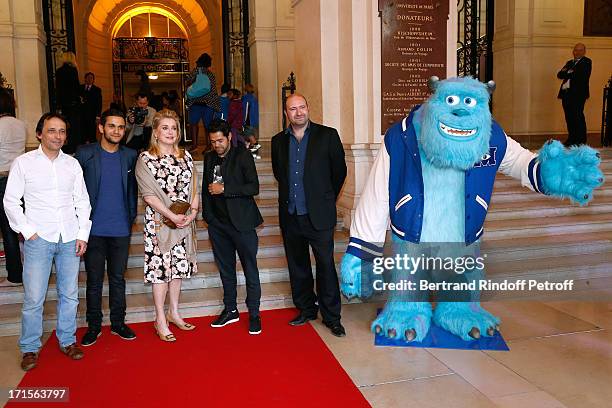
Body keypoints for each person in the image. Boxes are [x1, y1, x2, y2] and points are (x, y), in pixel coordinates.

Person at [4, 112, 91, 371]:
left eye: (62, 131)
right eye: (52, 131)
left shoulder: (72, 164)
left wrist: (82, 234)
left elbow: (82, 201)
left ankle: (67, 340)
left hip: (69, 238)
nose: (58, 136)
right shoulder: (23, 163)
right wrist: (28, 230)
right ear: (40, 134)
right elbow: (11, 201)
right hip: (38, 238)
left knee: (70, 295)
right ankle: (30, 347)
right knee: (33, 297)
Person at [271, 93, 347, 337]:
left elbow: (339, 172)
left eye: (302, 107)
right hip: (291, 215)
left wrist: (325, 198)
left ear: (308, 108)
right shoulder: (277, 142)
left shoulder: (328, 136)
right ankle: (306, 309)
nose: (298, 112)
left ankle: (332, 317)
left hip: (319, 215)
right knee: (298, 266)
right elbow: (279, 173)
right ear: (286, 114)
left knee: (325, 265)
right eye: (293, 109)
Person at [75, 109, 138, 346]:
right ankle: (93, 326)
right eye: (112, 126)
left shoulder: (130, 155)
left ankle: (118, 323)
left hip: (121, 229)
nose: (117, 131)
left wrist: (131, 217)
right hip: (92, 231)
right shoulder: (85, 154)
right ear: (101, 127)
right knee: (94, 280)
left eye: (121, 127)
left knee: (118, 279)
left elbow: (133, 189)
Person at [135, 109, 199, 342]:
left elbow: (194, 188)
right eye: (165, 128)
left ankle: (174, 312)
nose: (170, 132)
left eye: (174, 128)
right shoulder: (146, 159)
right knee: (160, 271)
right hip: (159, 224)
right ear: (155, 132)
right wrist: (171, 215)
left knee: (178, 268)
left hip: (183, 222)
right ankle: (159, 318)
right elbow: (148, 195)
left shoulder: (186, 156)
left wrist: (192, 212)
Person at [202, 119, 263, 334]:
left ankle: (254, 313)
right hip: (218, 225)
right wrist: (209, 218)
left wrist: (225, 189)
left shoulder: (243, 155)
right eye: (212, 141)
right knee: (226, 270)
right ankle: (230, 310)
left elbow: (253, 187)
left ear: (229, 137)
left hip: (242, 223)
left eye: (220, 140)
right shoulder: (209, 158)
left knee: (250, 269)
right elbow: (205, 190)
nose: (217, 145)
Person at [0, 89, 25, 287]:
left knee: (7, 228)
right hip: (19, 178)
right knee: (20, 225)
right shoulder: (20, 124)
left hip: (1, 179)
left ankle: (15, 274)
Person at [557, 43, 592, 146]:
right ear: (573, 51)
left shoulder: (586, 62)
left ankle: (581, 140)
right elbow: (560, 74)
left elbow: (581, 75)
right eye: (576, 50)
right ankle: (571, 139)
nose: (577, 52)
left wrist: (568, 72)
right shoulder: (569, 62)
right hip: (566, 94)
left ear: (584, 51)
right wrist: (569, 72)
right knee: (569, 117)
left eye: (580, 50)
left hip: (578, 95)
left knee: (578, 117)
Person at [186, 53, 221, 152]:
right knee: (208, 125)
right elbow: (213, 90)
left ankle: (194, 145)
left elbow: (188, 81)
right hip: (208, 104)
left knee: (193, 124)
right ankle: (209, 145)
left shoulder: (196, 71)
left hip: (196, 103)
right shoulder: (211, 74)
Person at [55, 52, 82, 154]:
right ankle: (73, 148)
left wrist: (58, 105)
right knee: (74, 128)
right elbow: (76, 87)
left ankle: (63, 147)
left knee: (64, 126)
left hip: (63, 104)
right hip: (73, 104)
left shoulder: (59, 71)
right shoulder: (73, 71)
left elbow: (58, 89)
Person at [81, 72, 102, 144]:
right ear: (85, 79)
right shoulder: (80, 88)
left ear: (93, 80)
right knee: (82, 133)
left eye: (91, 78)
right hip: (81, 116)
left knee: (92, 134)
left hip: (92, 116)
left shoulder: (97, 90)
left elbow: (99, 104)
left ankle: (92, 147)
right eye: (88, 77)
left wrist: (98, 116)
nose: (90, 79)